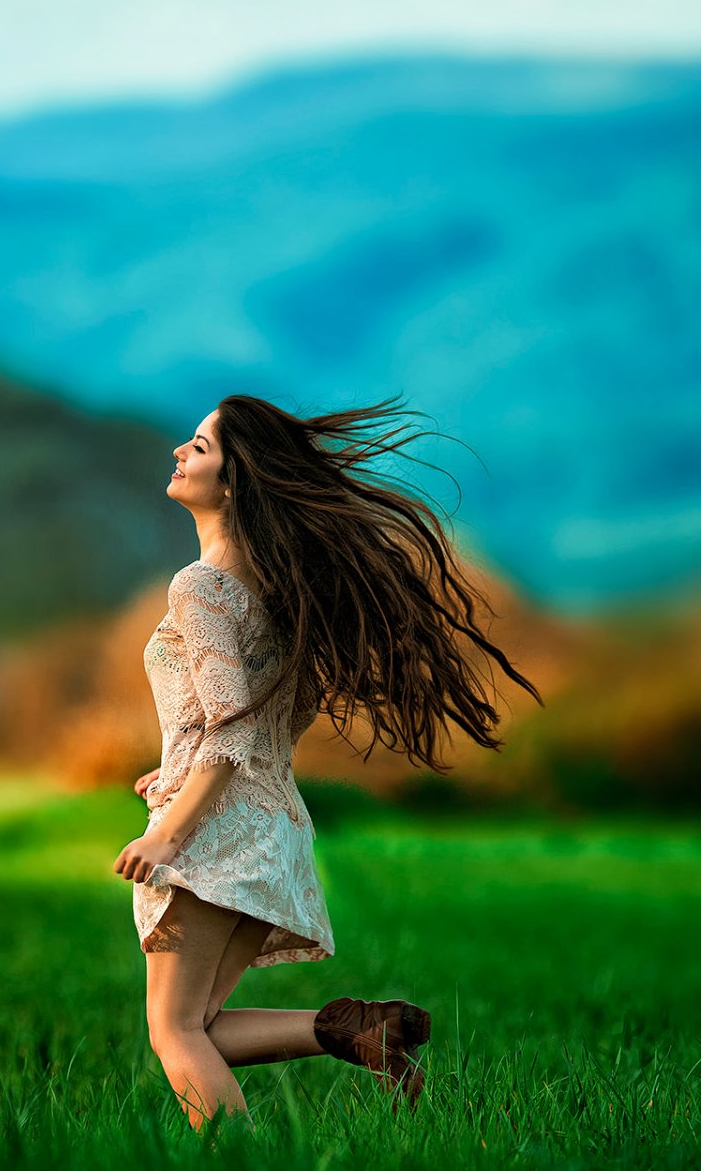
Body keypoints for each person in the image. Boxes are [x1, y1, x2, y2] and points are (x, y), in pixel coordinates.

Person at [111, 393, 545, 1133]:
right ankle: (356, 1028)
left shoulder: (201, 584)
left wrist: (169, 832)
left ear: (236, 481)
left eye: (200, 447)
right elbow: (272, 722)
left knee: (175, 1032)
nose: (180, 453)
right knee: (202, 1024)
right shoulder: (281, 595)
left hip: (215, 835)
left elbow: (234, 723)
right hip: (270, 833)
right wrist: (178, 766)